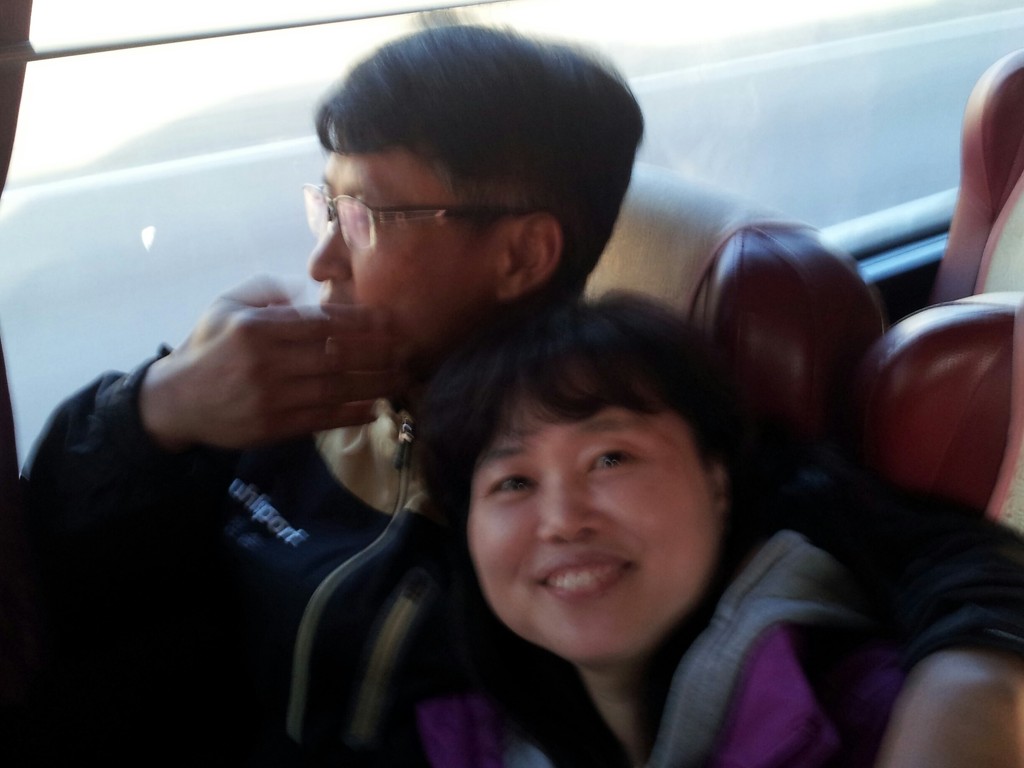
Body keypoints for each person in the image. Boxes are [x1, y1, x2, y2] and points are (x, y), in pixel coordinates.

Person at [15, 20, 1024, 768]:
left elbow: (946, 562)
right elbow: (45, 572)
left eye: (364, 217)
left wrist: (974, 679)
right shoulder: (266, 394)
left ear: (521, 256)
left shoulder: (624, 462)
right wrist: (154, 410)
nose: (321, 260)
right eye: (326, 204)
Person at [416, 293, 1024, 768]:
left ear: (717, 481)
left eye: (610, 459)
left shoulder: (881, 724)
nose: (562, 521)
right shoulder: (454, 730)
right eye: (513, 482)